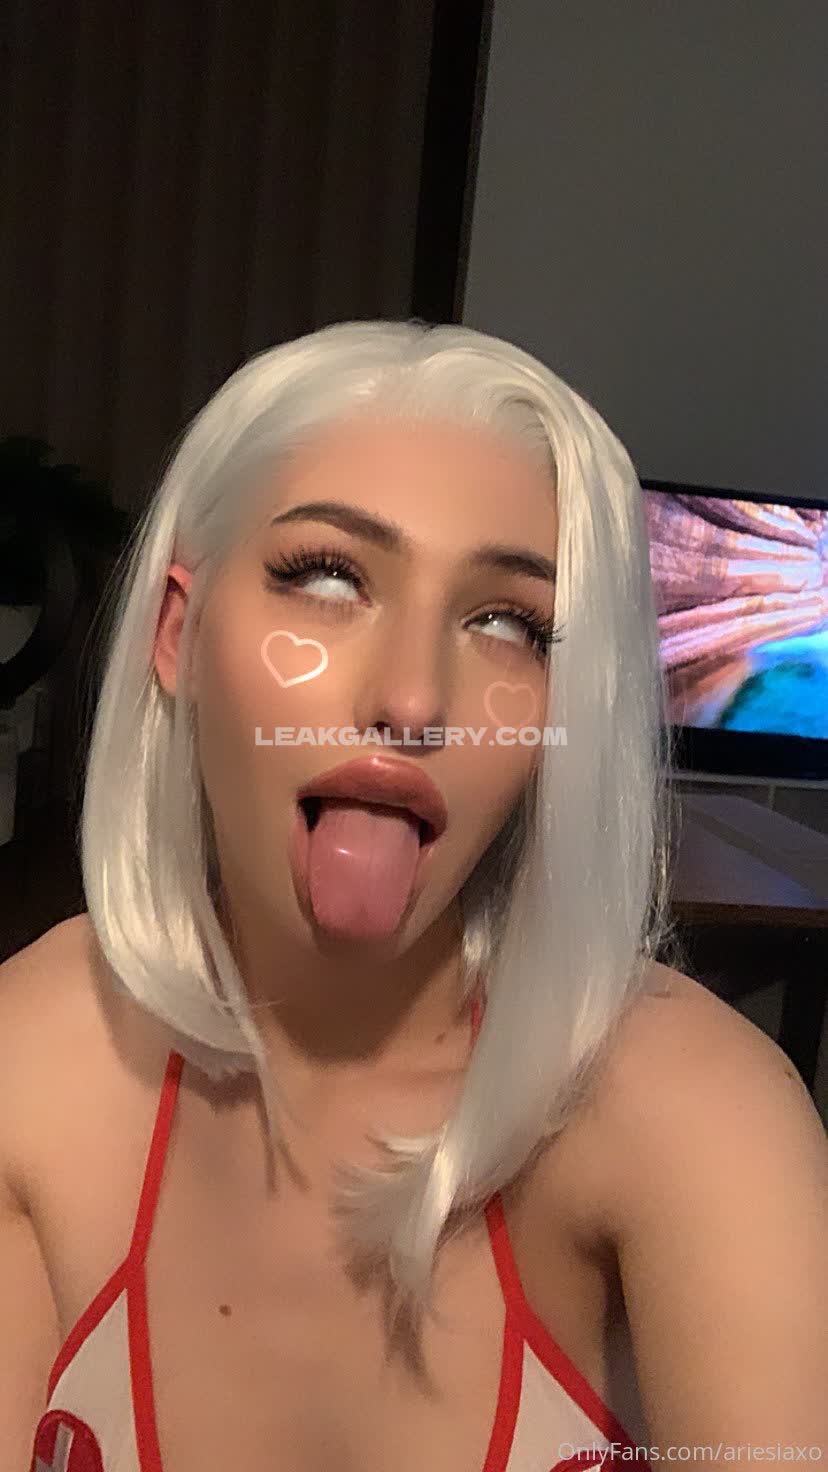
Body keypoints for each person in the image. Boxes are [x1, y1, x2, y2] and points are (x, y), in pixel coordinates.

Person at [2, 320, 825, 1472]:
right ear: (178, 632)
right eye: (327, 577)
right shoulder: (33, 1057)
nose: (414, 698)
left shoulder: (697, 1113)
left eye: (508, 622)